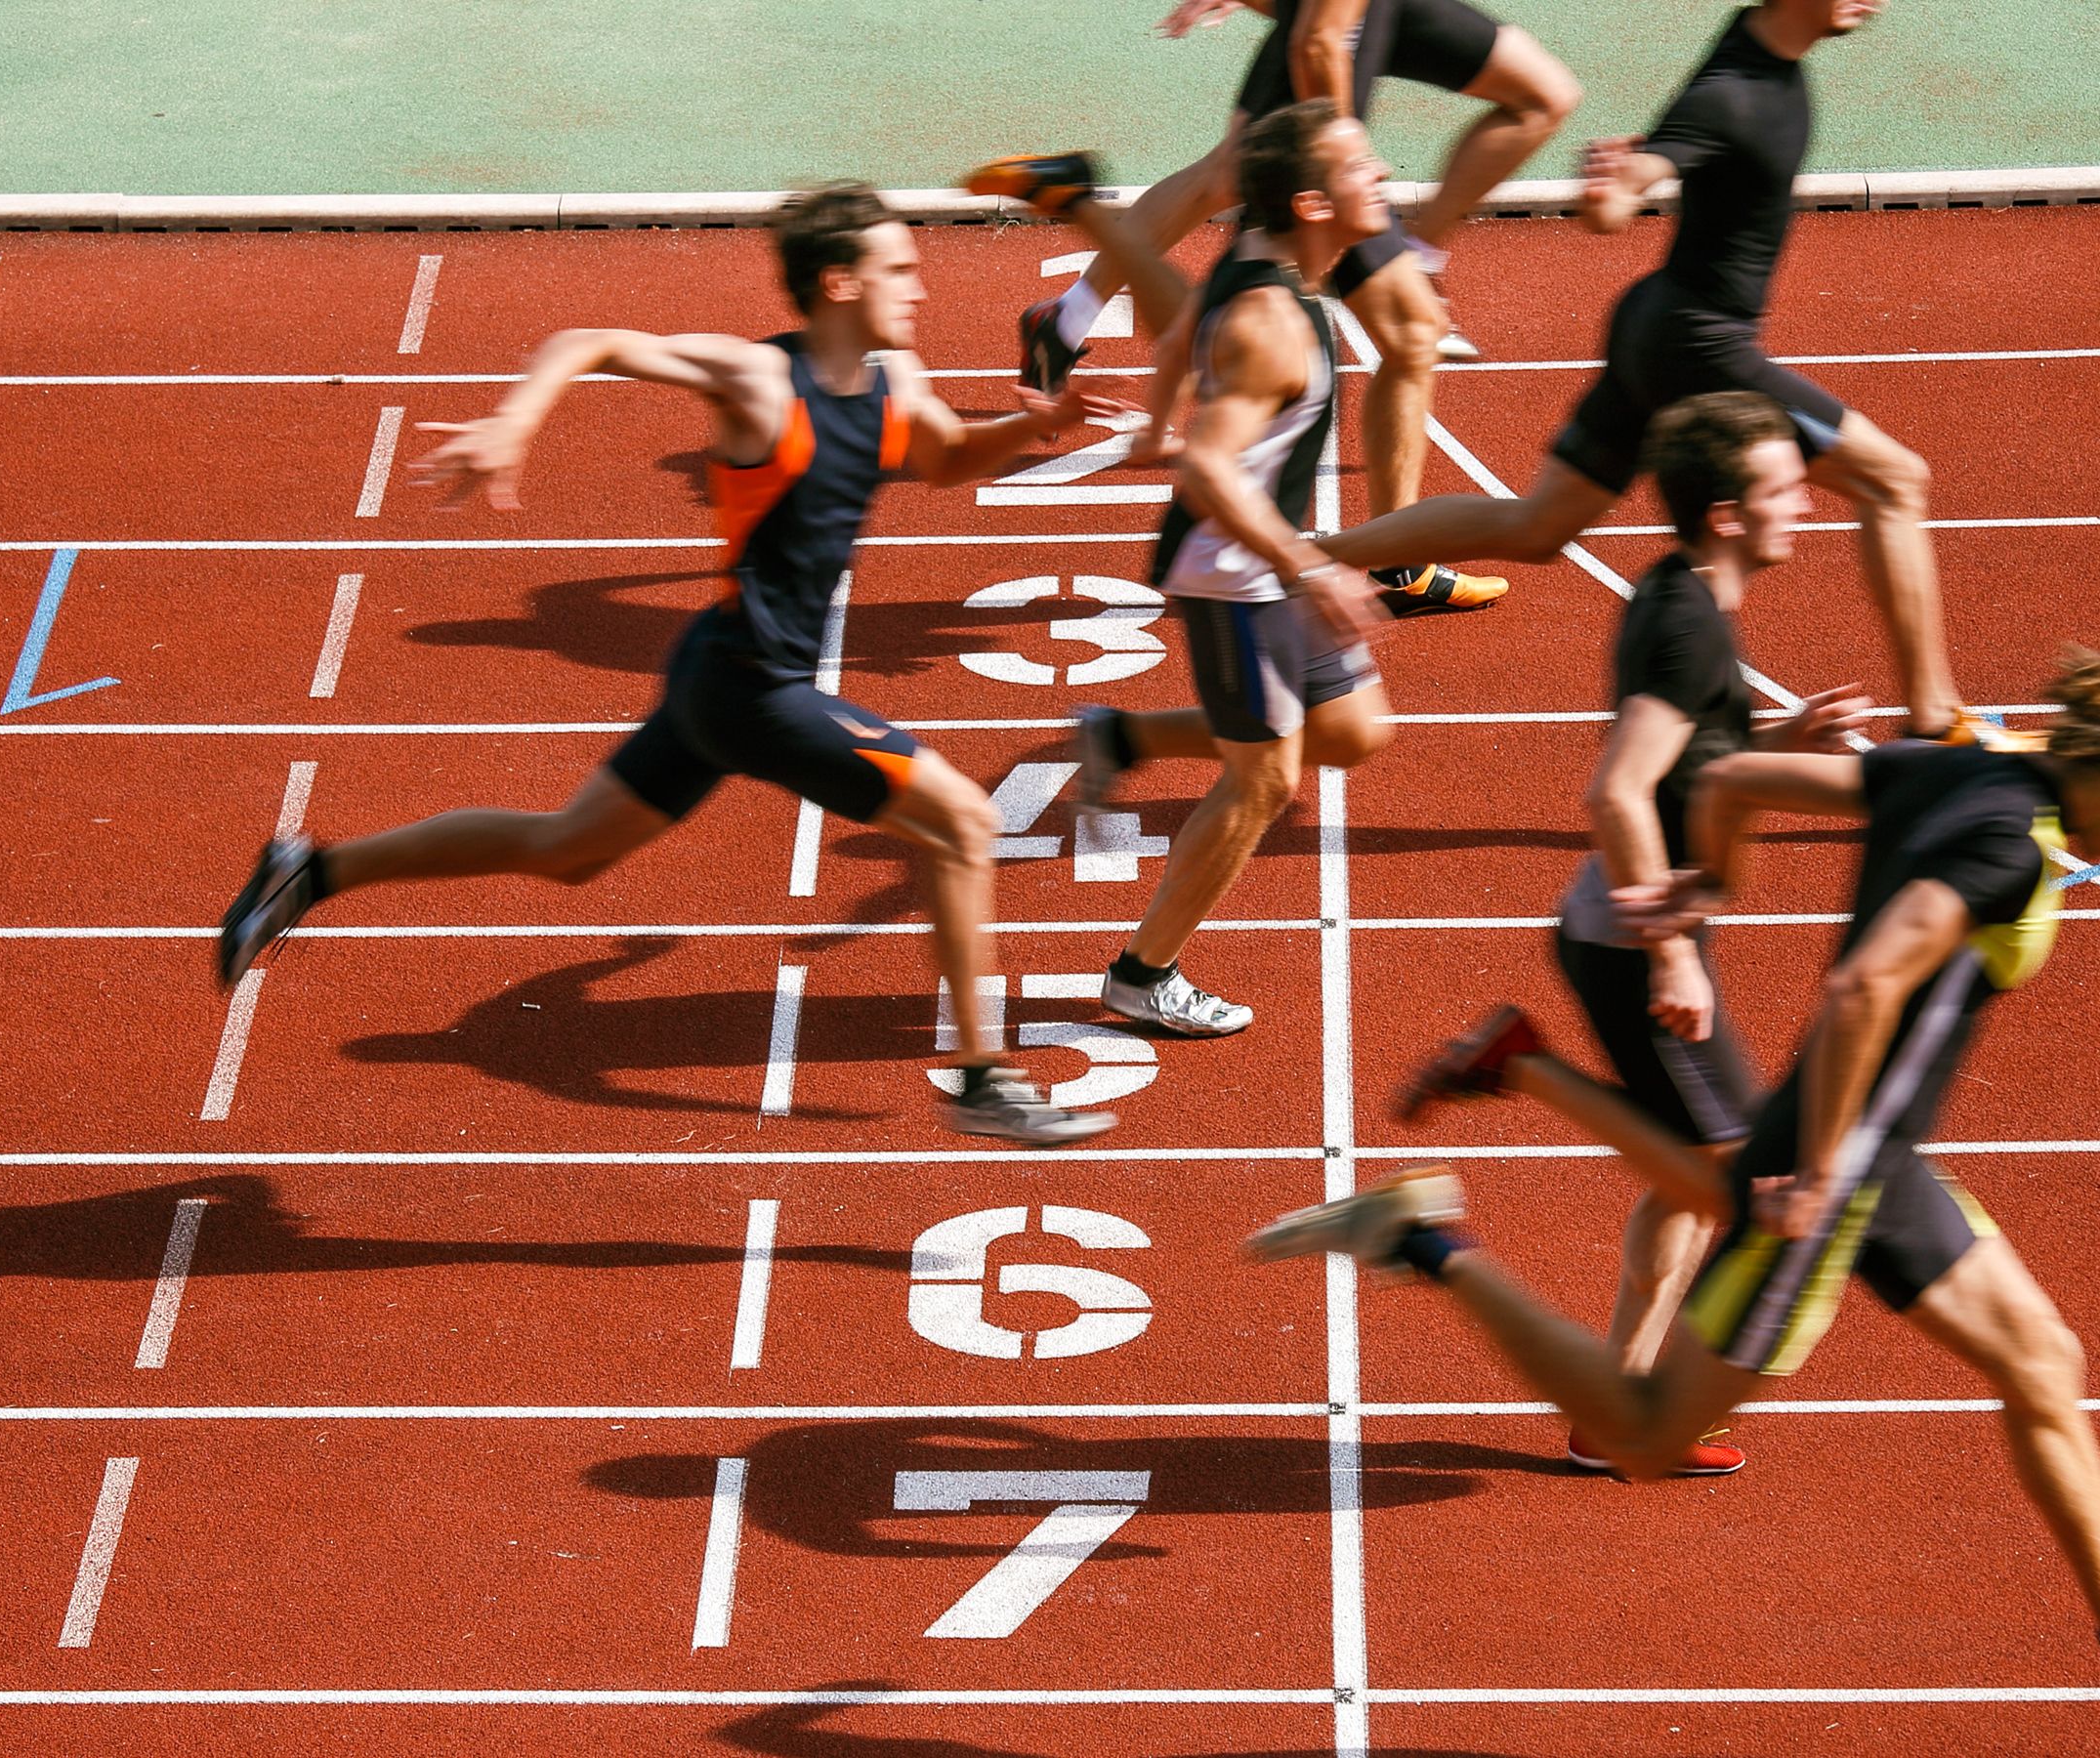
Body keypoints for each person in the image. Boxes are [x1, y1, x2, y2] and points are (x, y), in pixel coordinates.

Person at [1255, 654, 2100, 1731]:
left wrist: (1707, 883)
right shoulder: (2005, 848)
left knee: (2041, 1360)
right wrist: (1812, 1170)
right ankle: (1427, 1240)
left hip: (1879, 1158)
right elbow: (1863, 984)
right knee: (1636, 1436)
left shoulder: (1961, 771)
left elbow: (1732, 785)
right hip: (1837, 1166)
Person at [215, 185, 1129, 1144]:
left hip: (716, 671)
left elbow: (941, 458)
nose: (918, 286)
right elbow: (590, 342)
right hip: (753, 688)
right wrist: (516, 424)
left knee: (565, 850)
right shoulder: (756, 383)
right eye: (898, 268)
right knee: (961, 822)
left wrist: (1035, 425)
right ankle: (982, 1076)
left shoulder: (891, 375)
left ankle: (308, 873)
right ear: (837, 280)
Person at [1394, 389, 1873, 1476]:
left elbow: (1686, 759)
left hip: (1626, 924)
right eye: (1779, 488)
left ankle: (1623, 1400)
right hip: (1628, 937)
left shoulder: (1683, 594)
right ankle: (1517, 1068)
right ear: (1724, 514)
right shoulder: (1689, 622)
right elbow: (1617, 792)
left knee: (1686, 1184)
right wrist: (1665, 950)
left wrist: (1776, 737)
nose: (1804, 500)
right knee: (1736, 1189)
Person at [1315, 0, 1967, 739]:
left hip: (1654, 328)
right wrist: (1617, 189)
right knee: (1896, 480)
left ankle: (1299, 557)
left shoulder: (1756, 44)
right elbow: (1647, 172)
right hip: (1701, 348)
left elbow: (1653, 162)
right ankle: (1934, 724)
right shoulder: (1730, 92)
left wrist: (1620, 187)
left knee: (1536, 528)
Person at [975, 106, 1395, 1041]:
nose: (1386, 176)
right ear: (1313, 202)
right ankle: (1140, 975)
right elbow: (1210, 473)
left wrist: (1163, 416)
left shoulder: (1271, 267)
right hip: (1236, 576)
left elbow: (1178, 328)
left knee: (1355, 731)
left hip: (1273, 555)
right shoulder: (1272, 323)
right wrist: (1308, 567)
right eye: (1365, 166)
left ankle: (1122, 737)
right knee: (1263, 784)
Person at [1011, 0, 1585, 616]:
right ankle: (1383, 558)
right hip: (1328, 81)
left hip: (1375, 25)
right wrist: (1346, 169)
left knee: (1542, 97)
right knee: (1308, 303)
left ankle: (1069, 291)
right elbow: (1316, 41)